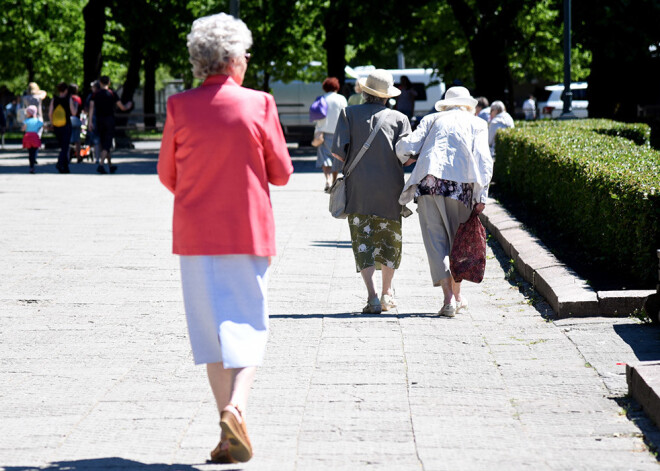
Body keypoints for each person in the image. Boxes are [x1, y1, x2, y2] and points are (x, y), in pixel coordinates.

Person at [157, 12, 293, 464]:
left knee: (209, 331)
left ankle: (225, 427)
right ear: (235, 58)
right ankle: (236, 409)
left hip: (195, 232)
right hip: (248, 229)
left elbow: (167, 175)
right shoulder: (260, 104)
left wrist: (200, 192)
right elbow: (283, 173)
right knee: (249, 321)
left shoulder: (178, 106)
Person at [396, 86, 493, 317]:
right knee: (457, 243)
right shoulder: (477, 123)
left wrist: (408, 158)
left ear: (446, 103)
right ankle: (456, 297)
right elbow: (483, 160)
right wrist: (482, 195)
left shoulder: (431, 119)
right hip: (460, 187)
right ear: (468, 104)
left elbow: (406, 146)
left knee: (435, 243)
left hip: (428, 182)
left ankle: (450, 298)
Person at [331, 69, 411, 314]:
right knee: (390, 242)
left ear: (365, 92)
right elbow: (407, 158)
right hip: (391, 191)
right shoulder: (400, 119)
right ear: (387, 96)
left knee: (363, 243)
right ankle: (388, 292)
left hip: (359, 190)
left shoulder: (348, 113)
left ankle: (372, 297)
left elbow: (337, 152)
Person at [88, 75, 132, 174]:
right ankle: (101, 165)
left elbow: (91, 108)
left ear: (100, 83)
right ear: (109, 83)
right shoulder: (112, 93)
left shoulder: (95, 94)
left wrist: (90, 122)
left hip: (99, 121)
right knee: (107, 144)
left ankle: (111, 166)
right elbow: (122, 107)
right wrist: (127, 106)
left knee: (104, 143)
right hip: (109, 121)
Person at [314, 77, 347, 192]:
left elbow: (317, 116)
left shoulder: (321, 98)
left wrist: (317, 130)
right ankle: (333, 180)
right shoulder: (341, 99)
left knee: (324, 157)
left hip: (323, 131)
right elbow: (345, 115)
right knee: (336, 157)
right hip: (338, 132)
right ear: (336, 87)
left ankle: (327, 179)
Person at [48, 82, 78, 174]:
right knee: (65, 147)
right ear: (66, 90)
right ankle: (60, 163)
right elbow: (73, 113)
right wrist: (76, 106)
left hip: (57, 125)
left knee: (63, 146)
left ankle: (65, 167)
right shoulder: (68, 99)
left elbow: (50, 113)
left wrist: (52, 123)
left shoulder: (54, 99)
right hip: (66, 125)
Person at [22, 105, 43, 174]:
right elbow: (42, 126)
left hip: (28, 136)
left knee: (30, 152)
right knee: (35, 150)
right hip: (35, 137)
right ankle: (34, 161)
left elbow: (23, 129)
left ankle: (31, 166)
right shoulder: (37, 121)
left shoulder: (26, 121)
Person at [85, 81, 102, 165]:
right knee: (100, 140)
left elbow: (89, 108)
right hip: (104, 119)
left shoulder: (92, 96)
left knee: (95, 140)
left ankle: (97, 158)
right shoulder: (105, 94)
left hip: (95, 119)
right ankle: (100, 157)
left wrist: (90, 121)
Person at [69, 83, 83, 162]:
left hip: (69, 119)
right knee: (77, 140)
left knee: (68, 139)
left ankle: (67, 156)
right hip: (77, 119)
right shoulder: (78, 98)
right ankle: (78, 157)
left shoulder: (68, 98)